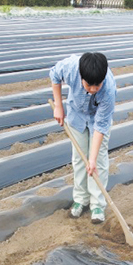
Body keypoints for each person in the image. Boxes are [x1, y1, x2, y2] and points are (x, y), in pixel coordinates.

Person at [50, 52, 117, 224]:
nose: (94, 89)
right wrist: (58, 106)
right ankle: (80, 199)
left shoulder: (109, 89)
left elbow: (100, 126)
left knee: (98, 162)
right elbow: (54, 75)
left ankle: (97, 205)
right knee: (79, 159)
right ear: (81, 76)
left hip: (97, 119)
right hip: (76, 116)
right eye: (89, 85)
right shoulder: (71, 68)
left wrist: (92, 159)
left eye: (98, 85)